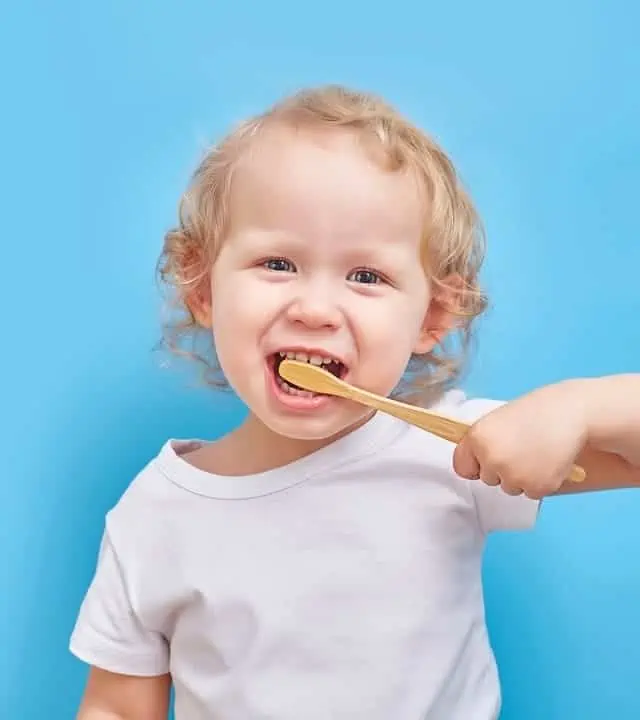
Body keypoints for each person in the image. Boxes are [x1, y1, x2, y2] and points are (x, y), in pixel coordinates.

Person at [70, 85, 639, 720]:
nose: (314, 309)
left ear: (434, 315)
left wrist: (580, 408)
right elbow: (118, 708)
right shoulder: (153, 515)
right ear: (203, 288)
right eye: (278, 263)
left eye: (366, 276)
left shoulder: (454, 448)